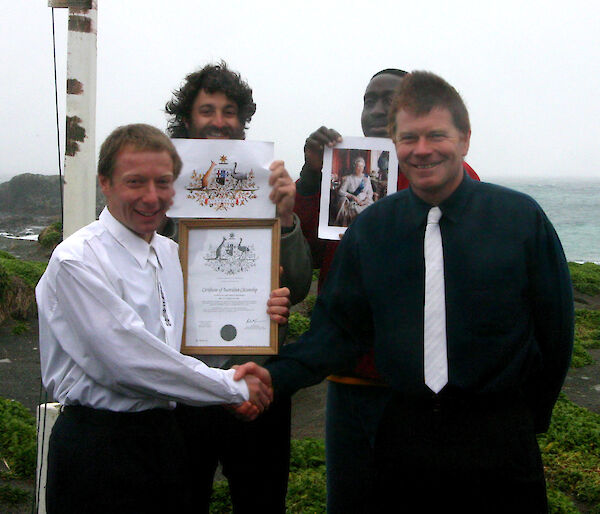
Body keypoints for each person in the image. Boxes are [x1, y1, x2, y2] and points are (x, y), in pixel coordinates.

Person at [240, 71, 573, 512]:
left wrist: (528, 416)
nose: (422, 149)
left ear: (465, 138)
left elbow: (555, 329)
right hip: (403, 426)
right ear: (394, 144)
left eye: (437, 135)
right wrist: (275, 376)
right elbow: (338, 330)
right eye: (409, 137)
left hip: (497, 432)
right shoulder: (370, 228)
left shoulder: (519, 218)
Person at [36, 124, 273, 514]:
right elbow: (129, 362)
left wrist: (260, 315)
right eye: (135, 182)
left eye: (163, 182)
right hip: (98, 447)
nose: (151, 197)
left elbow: (180, 346)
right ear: (105, 183)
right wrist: (231, 387)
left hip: (164, 441)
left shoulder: (169, 253)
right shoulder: (76, 260)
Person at [293, 68, 481, 512]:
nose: (376, 110)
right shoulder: (334, 173)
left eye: (389, 99)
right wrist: (308, 177)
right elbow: (302, 254)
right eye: (368, 100)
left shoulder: (450, 174)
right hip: (349, 376)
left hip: (424, 383)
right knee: (350, 498)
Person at [164, 61, 312, 513]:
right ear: (187, 118)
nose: (218, 120)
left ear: (242, 121)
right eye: (207, 110)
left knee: (262, 501)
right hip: (182, 384)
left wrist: (286, 218)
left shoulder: (266, 182)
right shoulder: (161, 182)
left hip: (255, 380)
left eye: (229, 111)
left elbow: (301, 285)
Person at [334, 156, 373, 226]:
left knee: (372, 211)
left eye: (362, 166)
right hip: (353, 202)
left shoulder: (367, 178)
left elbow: (370, 192)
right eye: (358, 166)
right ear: (354, 167)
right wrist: (353, 197)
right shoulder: (349, 178)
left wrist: (366, 200)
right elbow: (341, 191)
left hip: (365, 202)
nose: (360, 168)